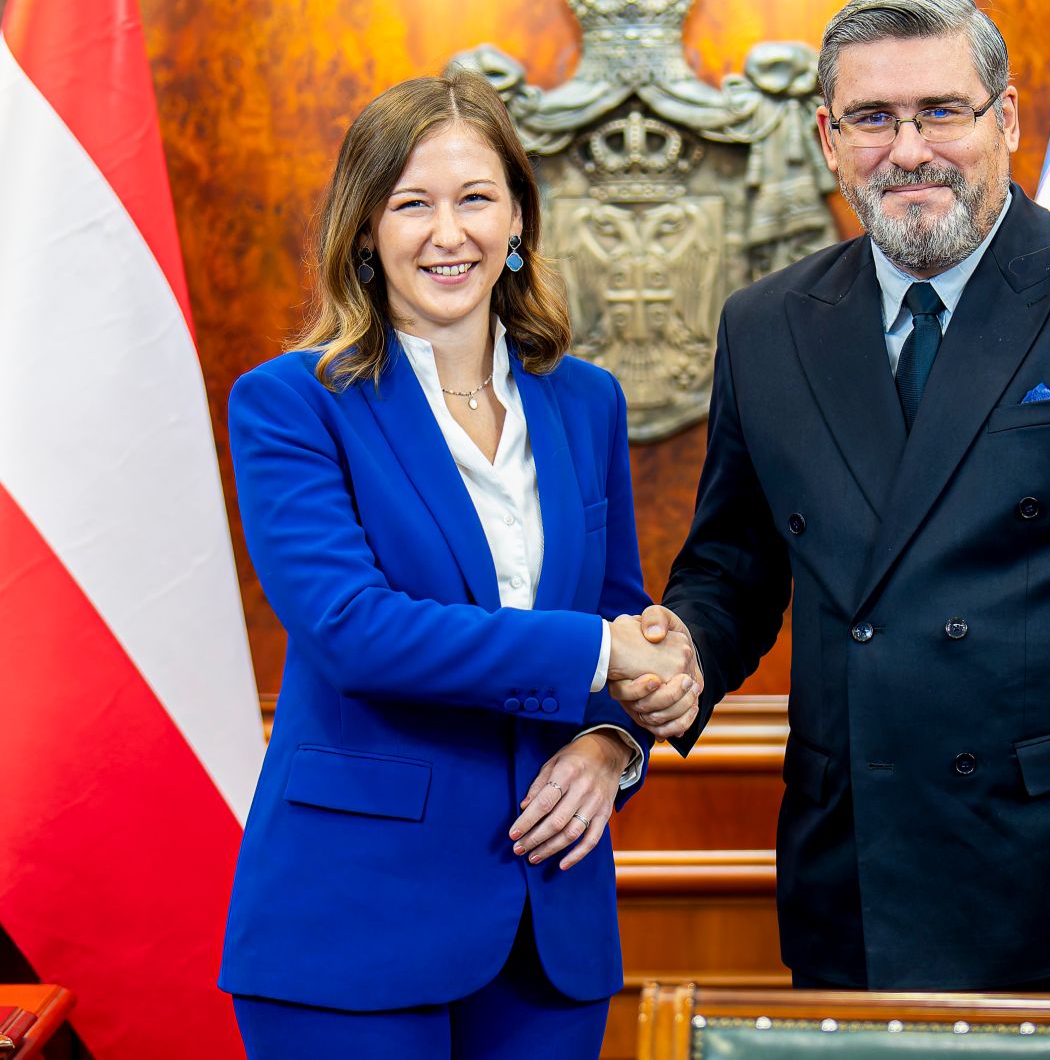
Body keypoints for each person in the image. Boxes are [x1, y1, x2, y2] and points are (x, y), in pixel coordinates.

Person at [622, 0, 1050, 1000]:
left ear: (1004, 119)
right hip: (850, 876)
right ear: (826, 137)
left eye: (940, 111)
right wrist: (679, 660)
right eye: (871, 118)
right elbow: (733, 567)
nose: (908, 150)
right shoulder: (767, 322)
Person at [218, 70, 700, 1059]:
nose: (449, 233)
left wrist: (613, 745)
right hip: (354, 919)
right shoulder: (292, 402)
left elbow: (617, 614)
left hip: (548, 923)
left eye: (476, 198)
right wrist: (604, 652)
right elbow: (354, 631)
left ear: (517, 217)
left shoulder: (585, 402)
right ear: (365, 231)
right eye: (412, 204)